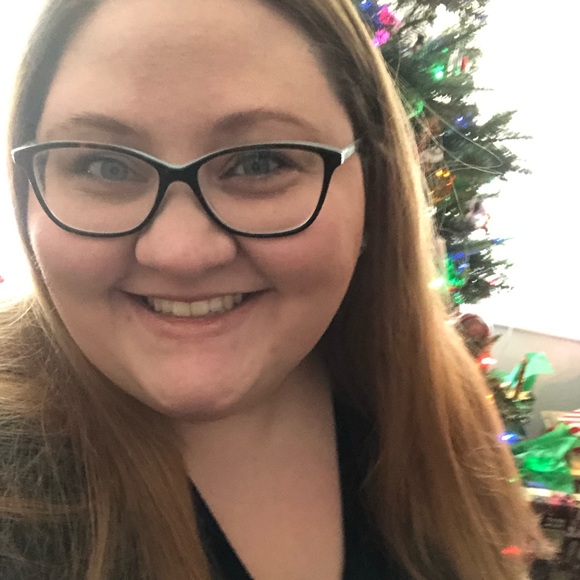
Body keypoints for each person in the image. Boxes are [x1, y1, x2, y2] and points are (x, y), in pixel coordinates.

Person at [0, 0, 550, 578]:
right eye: (105, 167)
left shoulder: (432, 410)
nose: (179, 253)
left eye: (260, 163)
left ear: (373, 185)